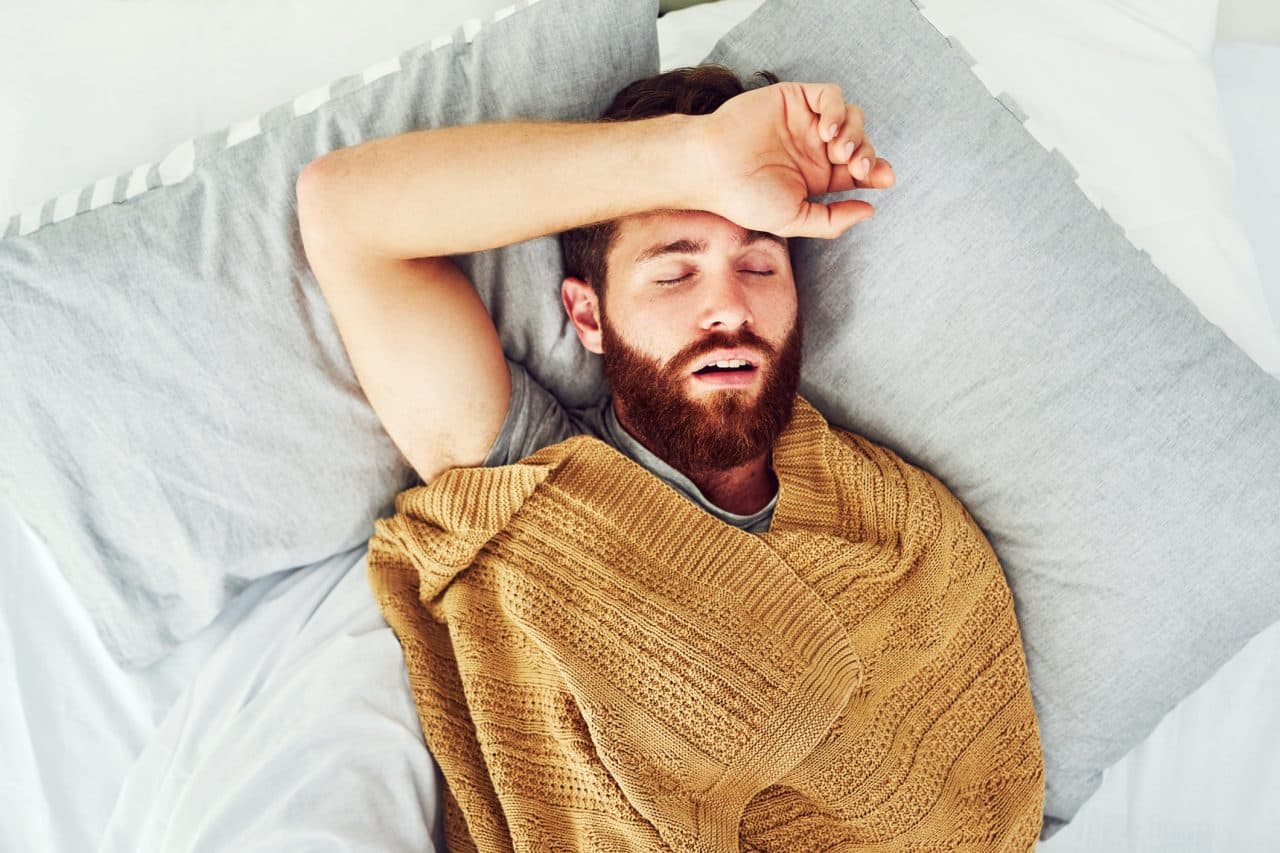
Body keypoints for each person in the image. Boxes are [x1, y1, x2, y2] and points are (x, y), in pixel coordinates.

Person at [294, 66, 894, 521]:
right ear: (588, 316)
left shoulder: (888, 515)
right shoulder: (534, 485)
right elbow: (342, 210)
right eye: (674, 274)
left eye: (760, 267)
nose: (731, 308)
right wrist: (697, 157)